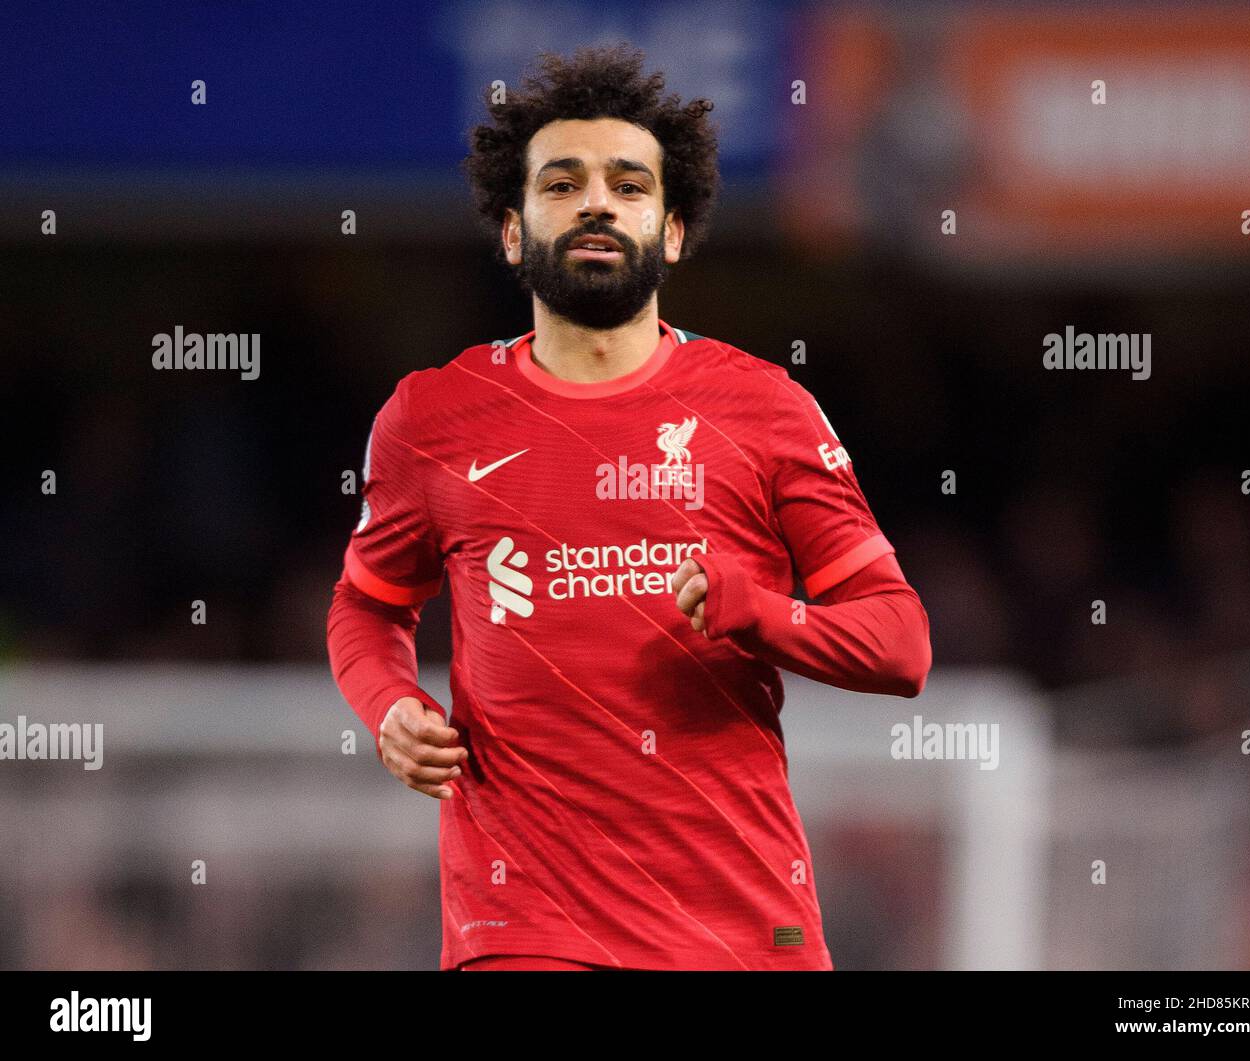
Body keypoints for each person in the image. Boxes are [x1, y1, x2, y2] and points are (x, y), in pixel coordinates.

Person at [326, 43, 931, 972]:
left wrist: (759, 613)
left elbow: (900, 644)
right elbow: (369, 603)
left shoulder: (764, 408)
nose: (597, 201)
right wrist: (388, 704)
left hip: (740, 922)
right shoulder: (430, 419)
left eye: (628, 184)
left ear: (674, 229)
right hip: (524, 923)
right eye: (561, 184)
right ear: (513, 232)